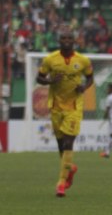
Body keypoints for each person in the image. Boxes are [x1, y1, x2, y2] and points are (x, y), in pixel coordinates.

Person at [36, 26, 94, 197]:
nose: (67, 41)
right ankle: (70, 169)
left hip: (74, 106)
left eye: (70, 38)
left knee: (69, 143)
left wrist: (84, 86)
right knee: (61, 146)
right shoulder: (50, 60)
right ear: (59, 41)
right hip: (55, 106)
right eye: (64, 39)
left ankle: (61, 183)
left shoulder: (82, 60)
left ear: (74, 41)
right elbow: (39, 77)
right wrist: (50, 81)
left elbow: (90, 77)